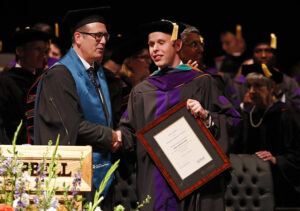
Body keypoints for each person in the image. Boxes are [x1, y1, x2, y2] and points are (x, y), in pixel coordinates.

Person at [117, 19, 240, 210]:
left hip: (196, 184)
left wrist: (207, 116)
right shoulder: (141, 91)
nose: (154, 49)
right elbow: (129, 132)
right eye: (151, 44)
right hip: (155, 181)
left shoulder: (202, 82)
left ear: (178, 45)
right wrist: (116, 136)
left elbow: (234, 122)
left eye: (161, 42)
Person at [33, 7, 122, 207]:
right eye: (97, 36)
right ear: (78, 37)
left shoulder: (96, 72)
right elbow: (71, 126)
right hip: (74, 179)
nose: (104, 41)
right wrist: (111, 137)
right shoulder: (60, 75)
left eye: (105, 36)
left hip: (100, 170)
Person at [231, 63, 300, 207]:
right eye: (249, 86)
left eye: (257, 86)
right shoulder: (248, 117)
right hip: (250, 190)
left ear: (272, 88)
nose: (251, 91)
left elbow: (296, 155)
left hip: (280, 189)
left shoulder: (285, 115)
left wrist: (276, 159)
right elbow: (235, 151)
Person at [0, 28, 50, 144]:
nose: (43, 55)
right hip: (14, 147)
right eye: (38, 49)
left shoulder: (44, 79)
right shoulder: (5, 82)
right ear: (20, 51)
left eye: (45, 50)